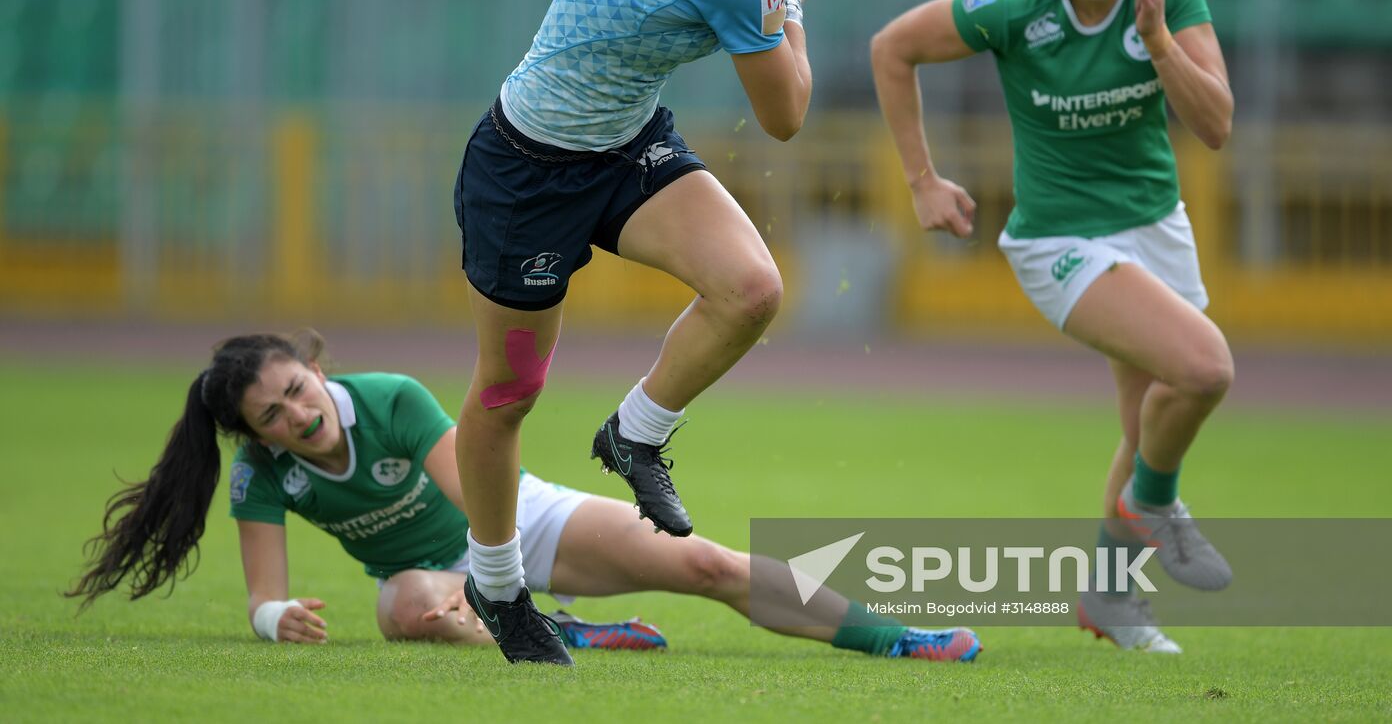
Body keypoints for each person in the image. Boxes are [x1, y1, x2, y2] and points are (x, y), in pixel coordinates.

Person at [452, 0, 860, 662]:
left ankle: (634, 433)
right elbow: (787, 119)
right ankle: (495, 585)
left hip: (625, 146)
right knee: (507, 393)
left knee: (751, 289)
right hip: (526, 171)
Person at [870, 0, 1236, 654]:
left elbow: (1214, 124)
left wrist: (1157, 45)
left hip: (1155, 229)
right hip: (1059, 242)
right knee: (1206, 365)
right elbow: (892, 48)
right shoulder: (1014, 7)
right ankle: (1156, 506)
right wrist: (922, 180)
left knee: (1147, 417)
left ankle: (1113, 597)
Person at [67, 331, 981, 665]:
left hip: (515, 524)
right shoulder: (262, 476)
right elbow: (264, 594)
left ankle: (896, 632)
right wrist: (277, 624)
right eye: (273, 414)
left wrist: (502, 585)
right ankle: (560, 628)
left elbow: (480, 503)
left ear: (315, 368)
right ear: (254, 434)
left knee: (703, 562)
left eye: (298, 389)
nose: (298, 415)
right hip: (431, 579)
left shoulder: (389, 399)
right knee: (411, 601)